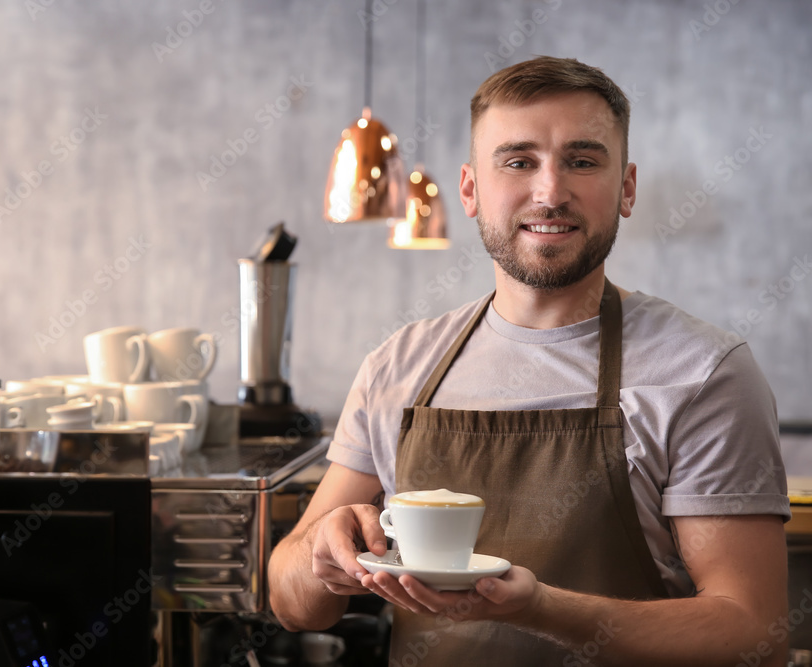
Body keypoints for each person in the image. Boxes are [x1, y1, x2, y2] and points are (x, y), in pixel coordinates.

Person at [268, 56, 791, 665]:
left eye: (583, 160)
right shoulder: (399, 365)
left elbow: (753, 633)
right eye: (518, 161)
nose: (550, 192)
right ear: (470, 189)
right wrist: (322, 559)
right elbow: (291, 603)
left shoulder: (705, 373)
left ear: (626, 188)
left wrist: (540, 608)